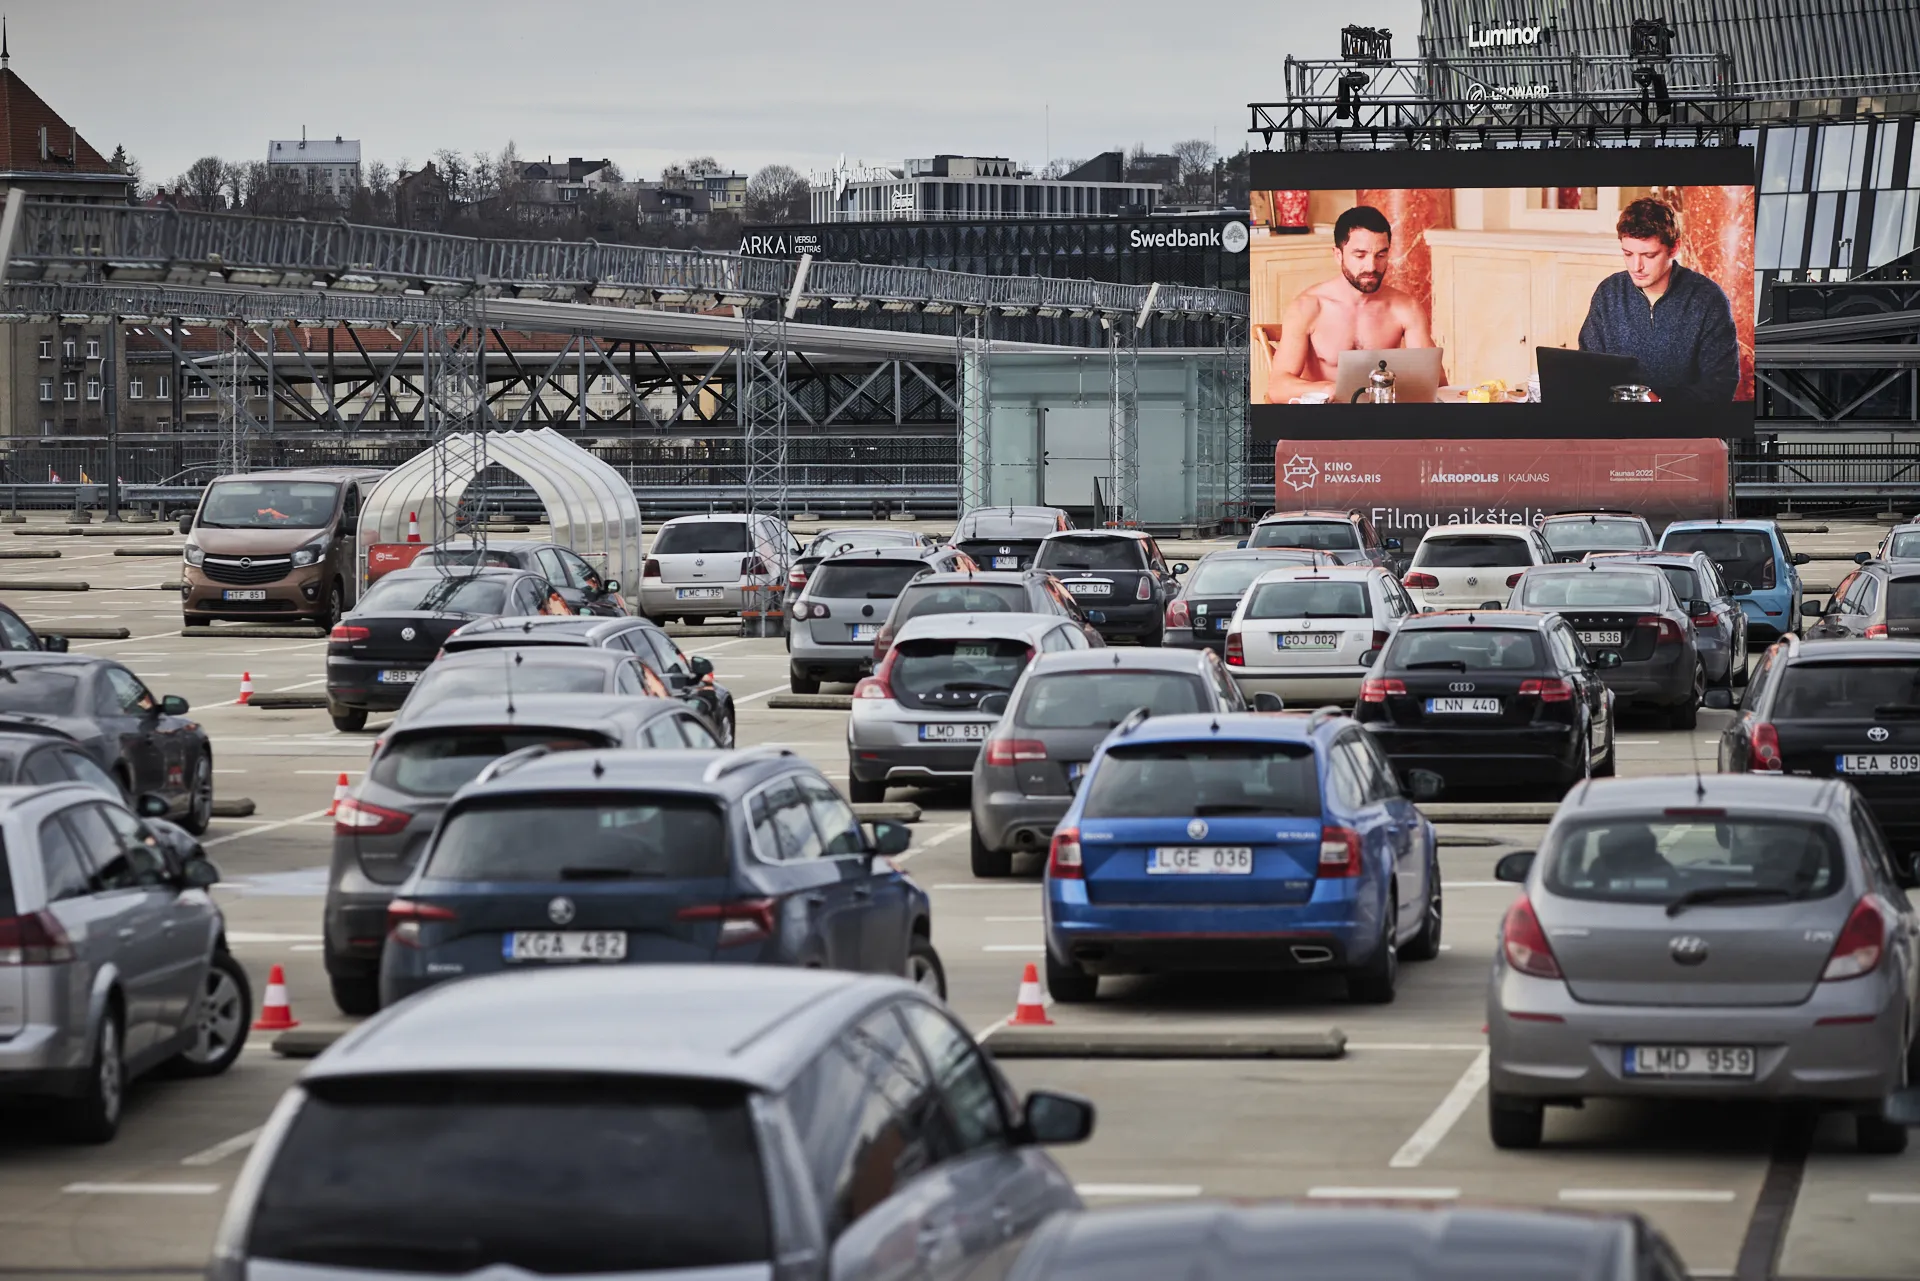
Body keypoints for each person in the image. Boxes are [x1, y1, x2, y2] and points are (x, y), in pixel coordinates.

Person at [1266, 205, 1443, 404]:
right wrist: (1329, 388)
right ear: (1338, 254)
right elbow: (1277, 387)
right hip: (1327, 421)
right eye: (1360, 256)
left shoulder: (1405, 308)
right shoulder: (1308, 308)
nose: (1371, 266)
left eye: (1381, 255)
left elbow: (1436, 383)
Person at [1577, 197, 1739, 403]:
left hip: (1682, 426)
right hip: (1615, 423)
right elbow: (1587, 372)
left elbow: (1721, 386)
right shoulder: (1608, 292)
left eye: (1649, 255)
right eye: (1628, 254)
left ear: (1674, 249)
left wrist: (1660, 401)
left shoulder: (1708, 299)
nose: (1636, 266)